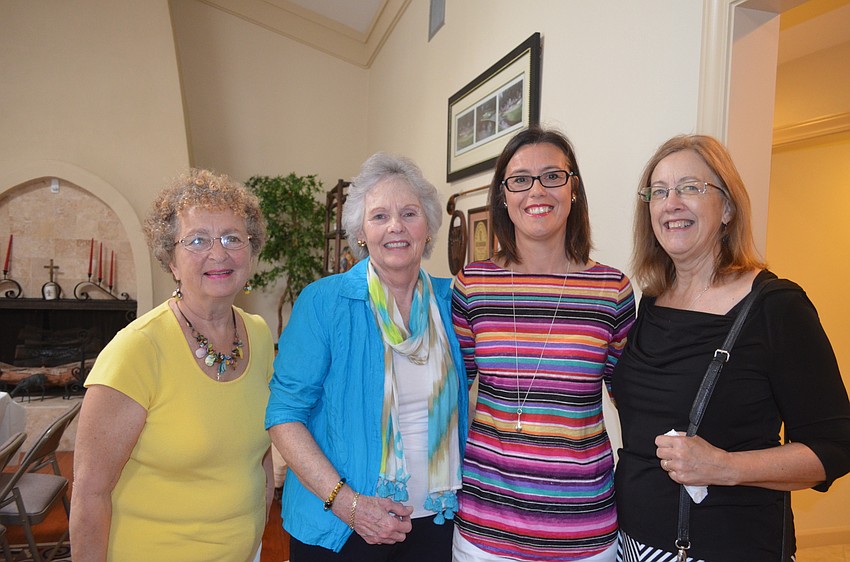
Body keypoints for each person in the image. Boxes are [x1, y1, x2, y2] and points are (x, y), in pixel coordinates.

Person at [613, 134, 850, 561]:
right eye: (659, 192)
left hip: (730, 549)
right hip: (631, 544)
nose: (671, 203)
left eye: (690, 187)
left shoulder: (777, 307)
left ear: (727, 208)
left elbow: (835, 447)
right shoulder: (651, 302)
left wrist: (725, 466)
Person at [265, 152, 468, 561]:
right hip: (340, 526)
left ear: (428, 227)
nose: (395, 226)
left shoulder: (454, 302)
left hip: (438, 521)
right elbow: (284, 416)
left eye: (409, 213)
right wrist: (349, 505)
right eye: (379, 216)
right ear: (361, 231)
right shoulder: (324, 302)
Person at [452, 126, 636, 562]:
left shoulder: (611, 289)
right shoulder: (472, 285)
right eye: (520, 179)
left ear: (574, 189)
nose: (537, 190)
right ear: (503, 195)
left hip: (584, 531)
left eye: (553, 176)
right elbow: (448, 397)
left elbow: (633, 403)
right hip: (486, 531)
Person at [70, 169, 275, 562]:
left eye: (233, 238)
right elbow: (90, 493)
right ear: (172, 262)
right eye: (197, 240)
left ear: (251, 253)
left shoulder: (259, 335)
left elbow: (260, 456)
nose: (219, 253)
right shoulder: (137, 349)